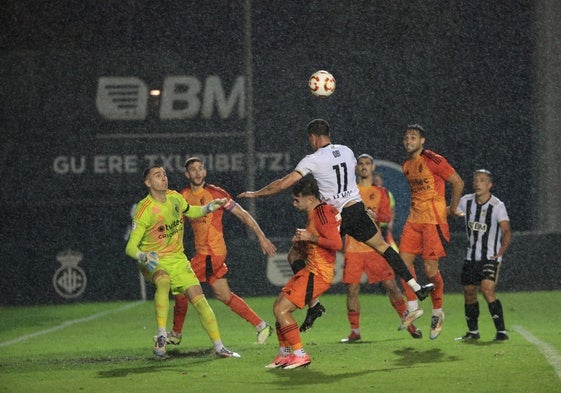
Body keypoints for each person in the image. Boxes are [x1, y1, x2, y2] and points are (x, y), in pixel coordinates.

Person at [238, 119, 434, 332]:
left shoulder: (311, 159)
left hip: (334, 218)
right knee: (384, 248)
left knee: (295, 256)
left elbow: (285, 183)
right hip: (356, 209)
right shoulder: (347, 151)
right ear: (328, 134)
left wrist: (256, 193)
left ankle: (313, 304)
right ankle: (417, 287)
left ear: (313, 137)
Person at [125, 165, 240, 359]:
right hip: (152, 260)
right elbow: (130, 247)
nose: (163, 178)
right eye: (157, 175)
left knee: (200, 300)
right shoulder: (144, 209)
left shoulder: (175, 198)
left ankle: (220, 347)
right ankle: (162, 334)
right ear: (148, 183)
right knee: (163, 281)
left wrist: (208, 208)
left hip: (178, 260)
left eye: (164, 174)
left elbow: (191, 211)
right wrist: (143, 256)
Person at [166, 157, 277, 346]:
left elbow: (242, 213)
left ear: (205, 172)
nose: (198, 172)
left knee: (180, 289)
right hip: (204, 254)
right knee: (223, 294)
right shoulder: (183, 196)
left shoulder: (216, 193)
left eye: (201, 168)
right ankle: (261, 325)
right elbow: (175, 225)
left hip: (211, 253)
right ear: (187, 174)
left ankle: (176, 334)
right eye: (193, 170)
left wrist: (261, 236)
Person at [341, 154, 422, 343]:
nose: (364, 167)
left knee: (391, 287)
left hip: (374, 248)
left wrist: (373, 214)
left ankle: (410, 325)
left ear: (372, 167)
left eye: (367, 164)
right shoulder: (348, 192)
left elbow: (386, 217)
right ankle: (355, 332)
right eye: (360, 164)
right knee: (352, 290)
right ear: (356, 168)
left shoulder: (381, 192)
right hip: (353, 249)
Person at [266, 175, 342, 369]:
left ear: (310, 199)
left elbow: (336, 243)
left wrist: (310, 237)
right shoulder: (316, 213)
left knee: (281, 310)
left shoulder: (321, 213)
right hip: (310, 270)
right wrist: (303, 242)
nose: (294, 203)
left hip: (319, 273)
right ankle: (284, 354)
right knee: (278, 307)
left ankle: (301, 355)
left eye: (296, 200)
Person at [399, 124, 465, 340]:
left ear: (422, 140)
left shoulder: (433, 159)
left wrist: (453, 209)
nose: (409, 141)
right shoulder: (406, 165)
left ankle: (437, 312)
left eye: (413, 137)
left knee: (430, 271)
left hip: (433, 222)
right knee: (401, 265)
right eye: (406, 138)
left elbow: (457, 182)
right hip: (414, 220)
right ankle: (412, 306)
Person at [456, 169, 511, 341]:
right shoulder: (466, 201)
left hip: (490, 257)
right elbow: (450, 211)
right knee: (469, 291)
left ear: (489, 185)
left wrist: (500, 252)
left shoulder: (497, 205)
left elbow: (506, 231)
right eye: (476, 180)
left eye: (482, 180)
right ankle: (473, 332)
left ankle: (501, 332)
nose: (478, 183)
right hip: (471, 257)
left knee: (487, 290)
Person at [372, 171, 398, 251]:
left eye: (378, 181)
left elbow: (392, 210)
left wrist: (390, 223)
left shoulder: (387, 194)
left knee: (387, 246)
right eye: (375, 181)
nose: (377, 183)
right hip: (373, 225)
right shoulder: (369, 193)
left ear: (381, 181)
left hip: (384, 226)